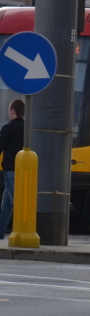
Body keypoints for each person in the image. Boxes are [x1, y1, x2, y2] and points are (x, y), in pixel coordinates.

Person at [0, 100, 24, 237]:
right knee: (6, 205)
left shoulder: (8, 128)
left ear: (13, 111)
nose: (9, 113)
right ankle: (0, 233)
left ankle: (23, 231)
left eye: (9, 111)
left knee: (17, 203)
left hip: (11, 171)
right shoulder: (27, 128)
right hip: (24, 170)